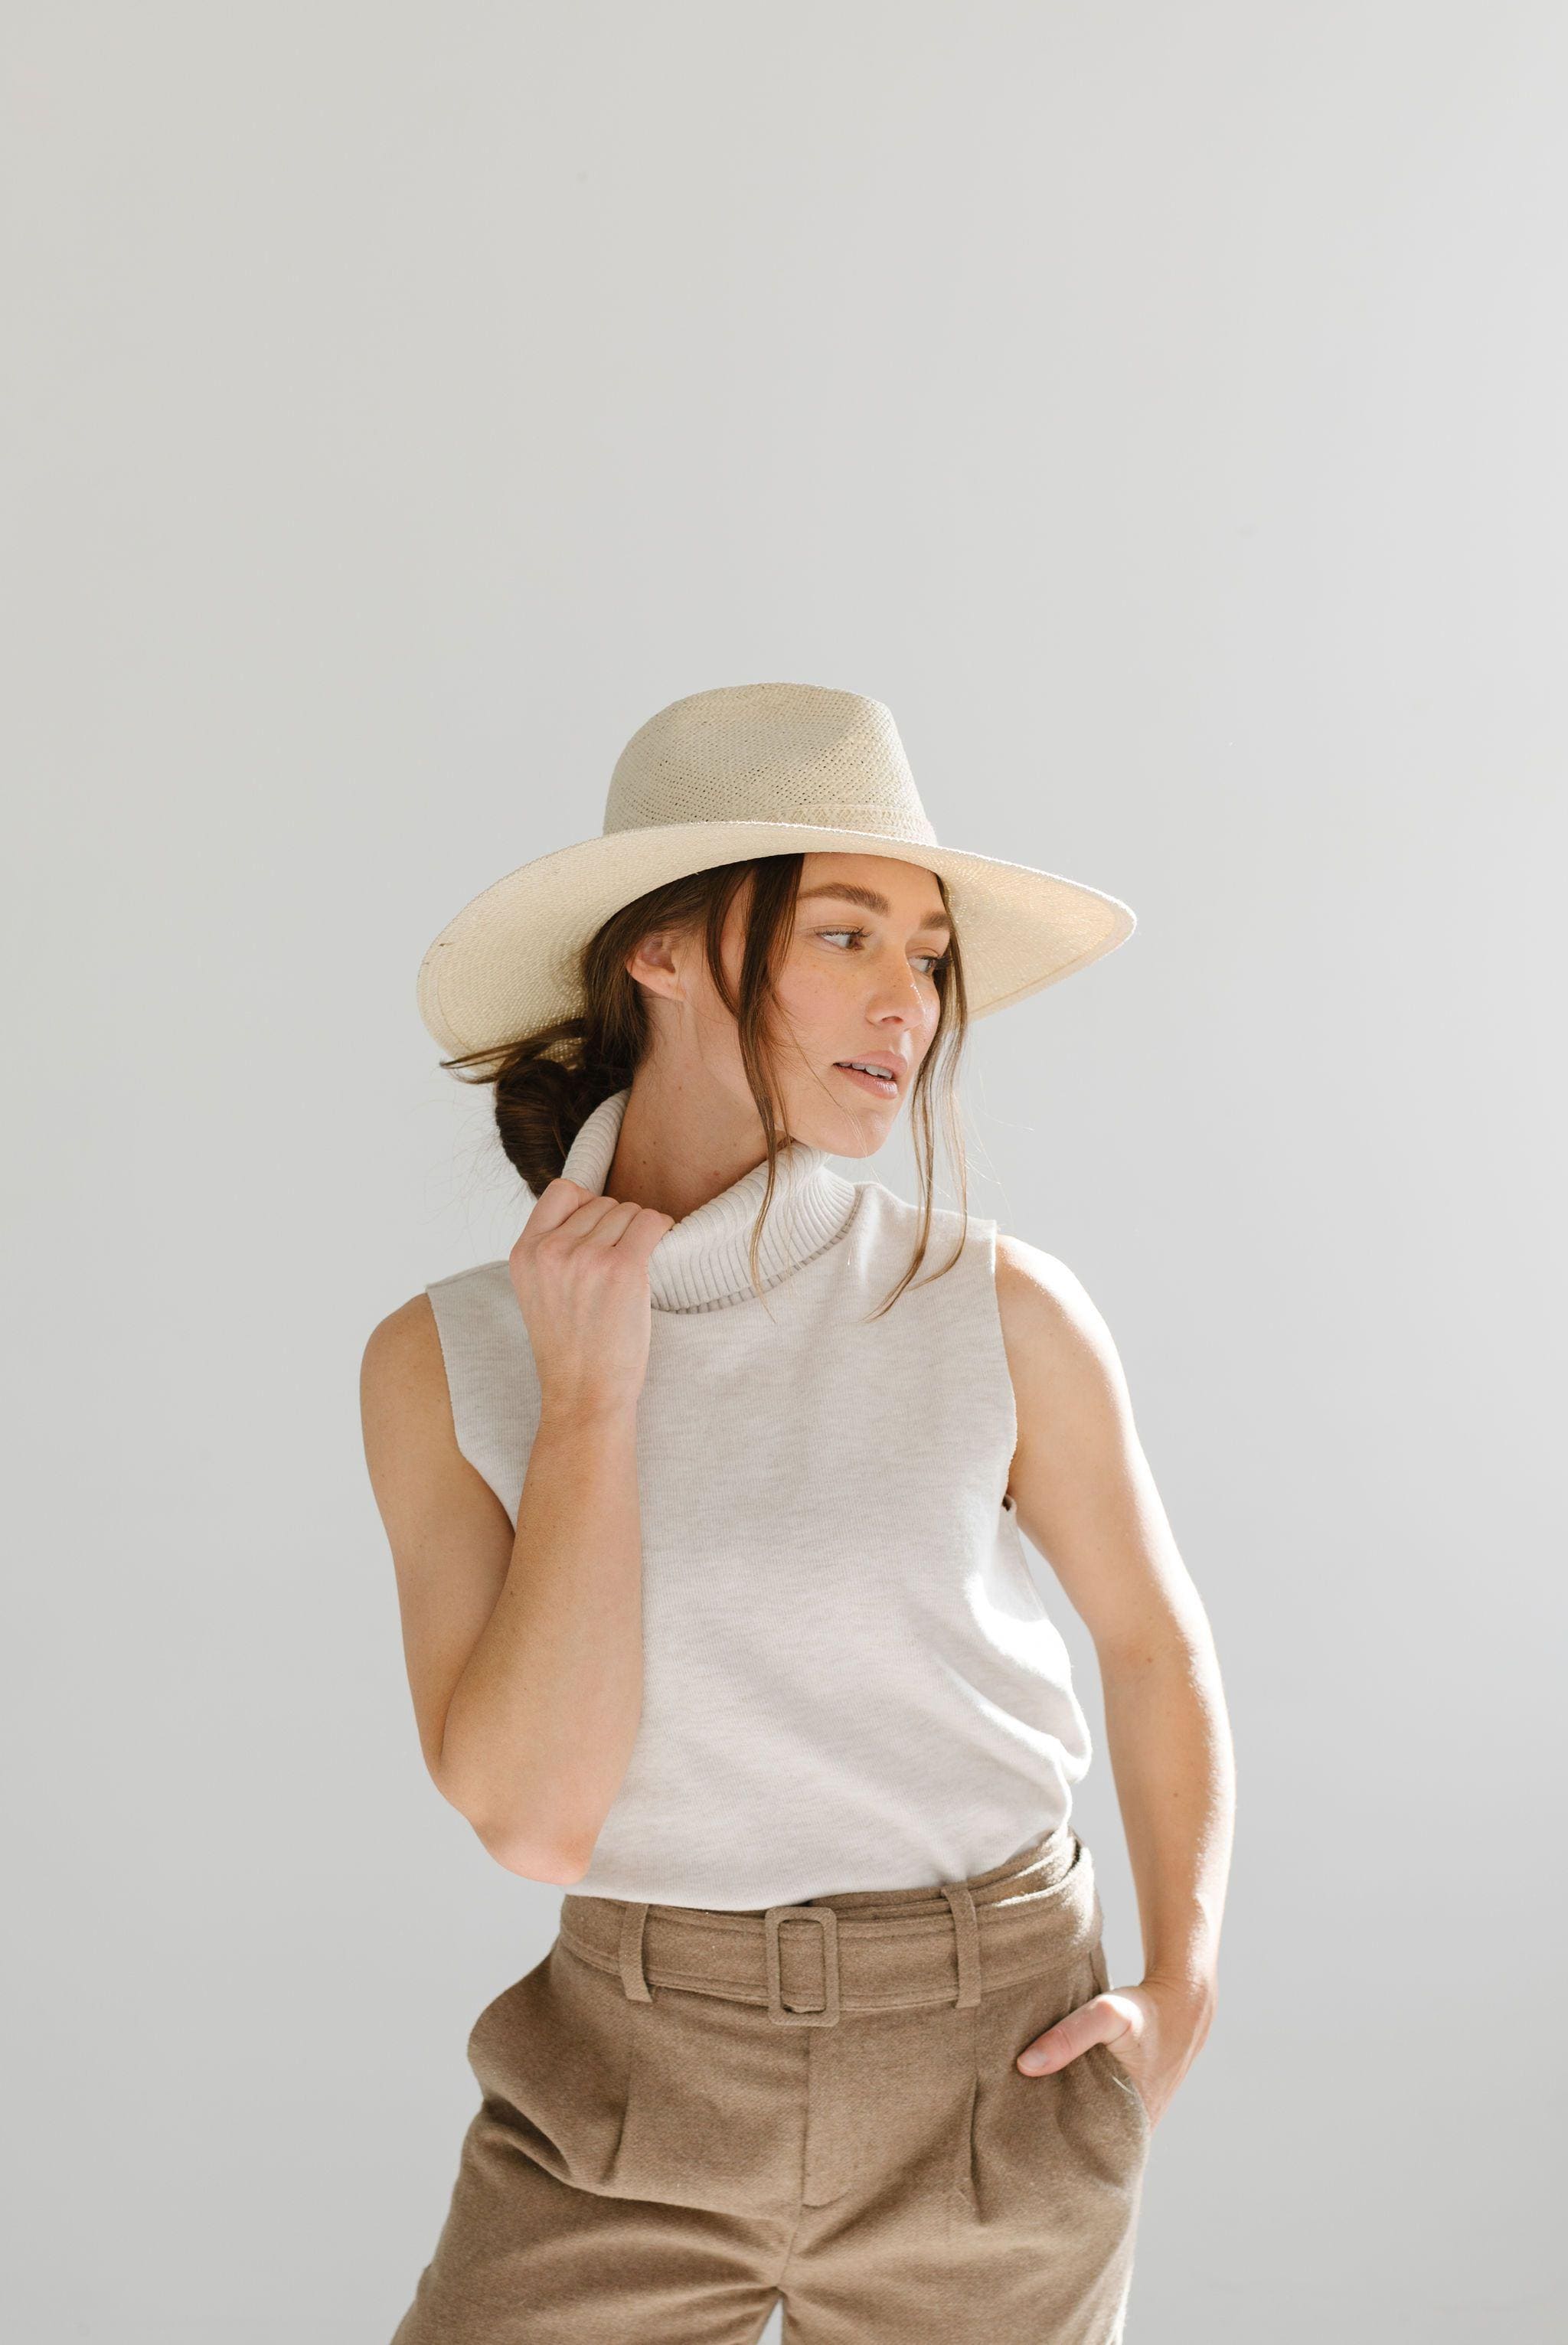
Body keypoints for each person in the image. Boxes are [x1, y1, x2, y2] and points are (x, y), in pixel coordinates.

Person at [361, 681, 1234, 2344]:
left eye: (924, 952)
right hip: (623, 2084)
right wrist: (596, 1393)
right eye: (848, 935)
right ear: (665, 950)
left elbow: (1152, 1638)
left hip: (993, 2070)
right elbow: (538, 1820)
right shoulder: (446, 1357)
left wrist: (1182, 1984)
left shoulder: (991, 1303)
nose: (907, 1003)